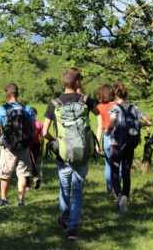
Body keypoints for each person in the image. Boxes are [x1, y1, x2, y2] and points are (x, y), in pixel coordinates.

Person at [42, 67, 99, 240]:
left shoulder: (54, 104)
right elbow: (100, 115)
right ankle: (73, 228)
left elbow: (44, 132)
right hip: (82, 152)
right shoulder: (86, 100)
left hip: (63, 154)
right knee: (77, 191)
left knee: (64, 189)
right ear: (78, 82)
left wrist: (55, 142)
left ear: (64, 82)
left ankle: (63, 219)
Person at [106, 82, 153, 212]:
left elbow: (112, 122)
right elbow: (148, 122)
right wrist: (144, 124)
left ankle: (120, 196)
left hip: (116, 145)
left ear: (115, 96)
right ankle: (125, 198)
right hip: (130, 146)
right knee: (126, 173)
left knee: (114, 173)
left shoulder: (114, 108)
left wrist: (108, 131)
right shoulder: (134, 108)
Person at [0, 83, 36, 208]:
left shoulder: (2, 109)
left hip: (8, 146)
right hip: (24, 145)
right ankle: (21, 201)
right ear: (17, 94)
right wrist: (28, 142)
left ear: (7, 94)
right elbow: (33, 129)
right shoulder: (27, 108)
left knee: (5, 173)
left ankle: (4, 200)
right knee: (22, 173)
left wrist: (1, 143)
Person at [96, 84, 119, 197]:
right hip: (118, 136)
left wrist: (97, 144)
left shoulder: (99, 107)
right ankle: (117, 190)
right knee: (118, 164)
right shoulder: (117, 105)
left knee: (108, 164)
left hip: (106, 136)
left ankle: (109, 190)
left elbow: (100, 126)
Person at [27, 107, 43, 189]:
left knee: (32, 163)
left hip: (36, 145)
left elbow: (42, 137)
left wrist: (42, 149)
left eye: (33, 113)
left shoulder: (39, 124)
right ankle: (33, 180)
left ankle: (33, 180)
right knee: (31, 162)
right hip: (28, 144)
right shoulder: (26, 124)